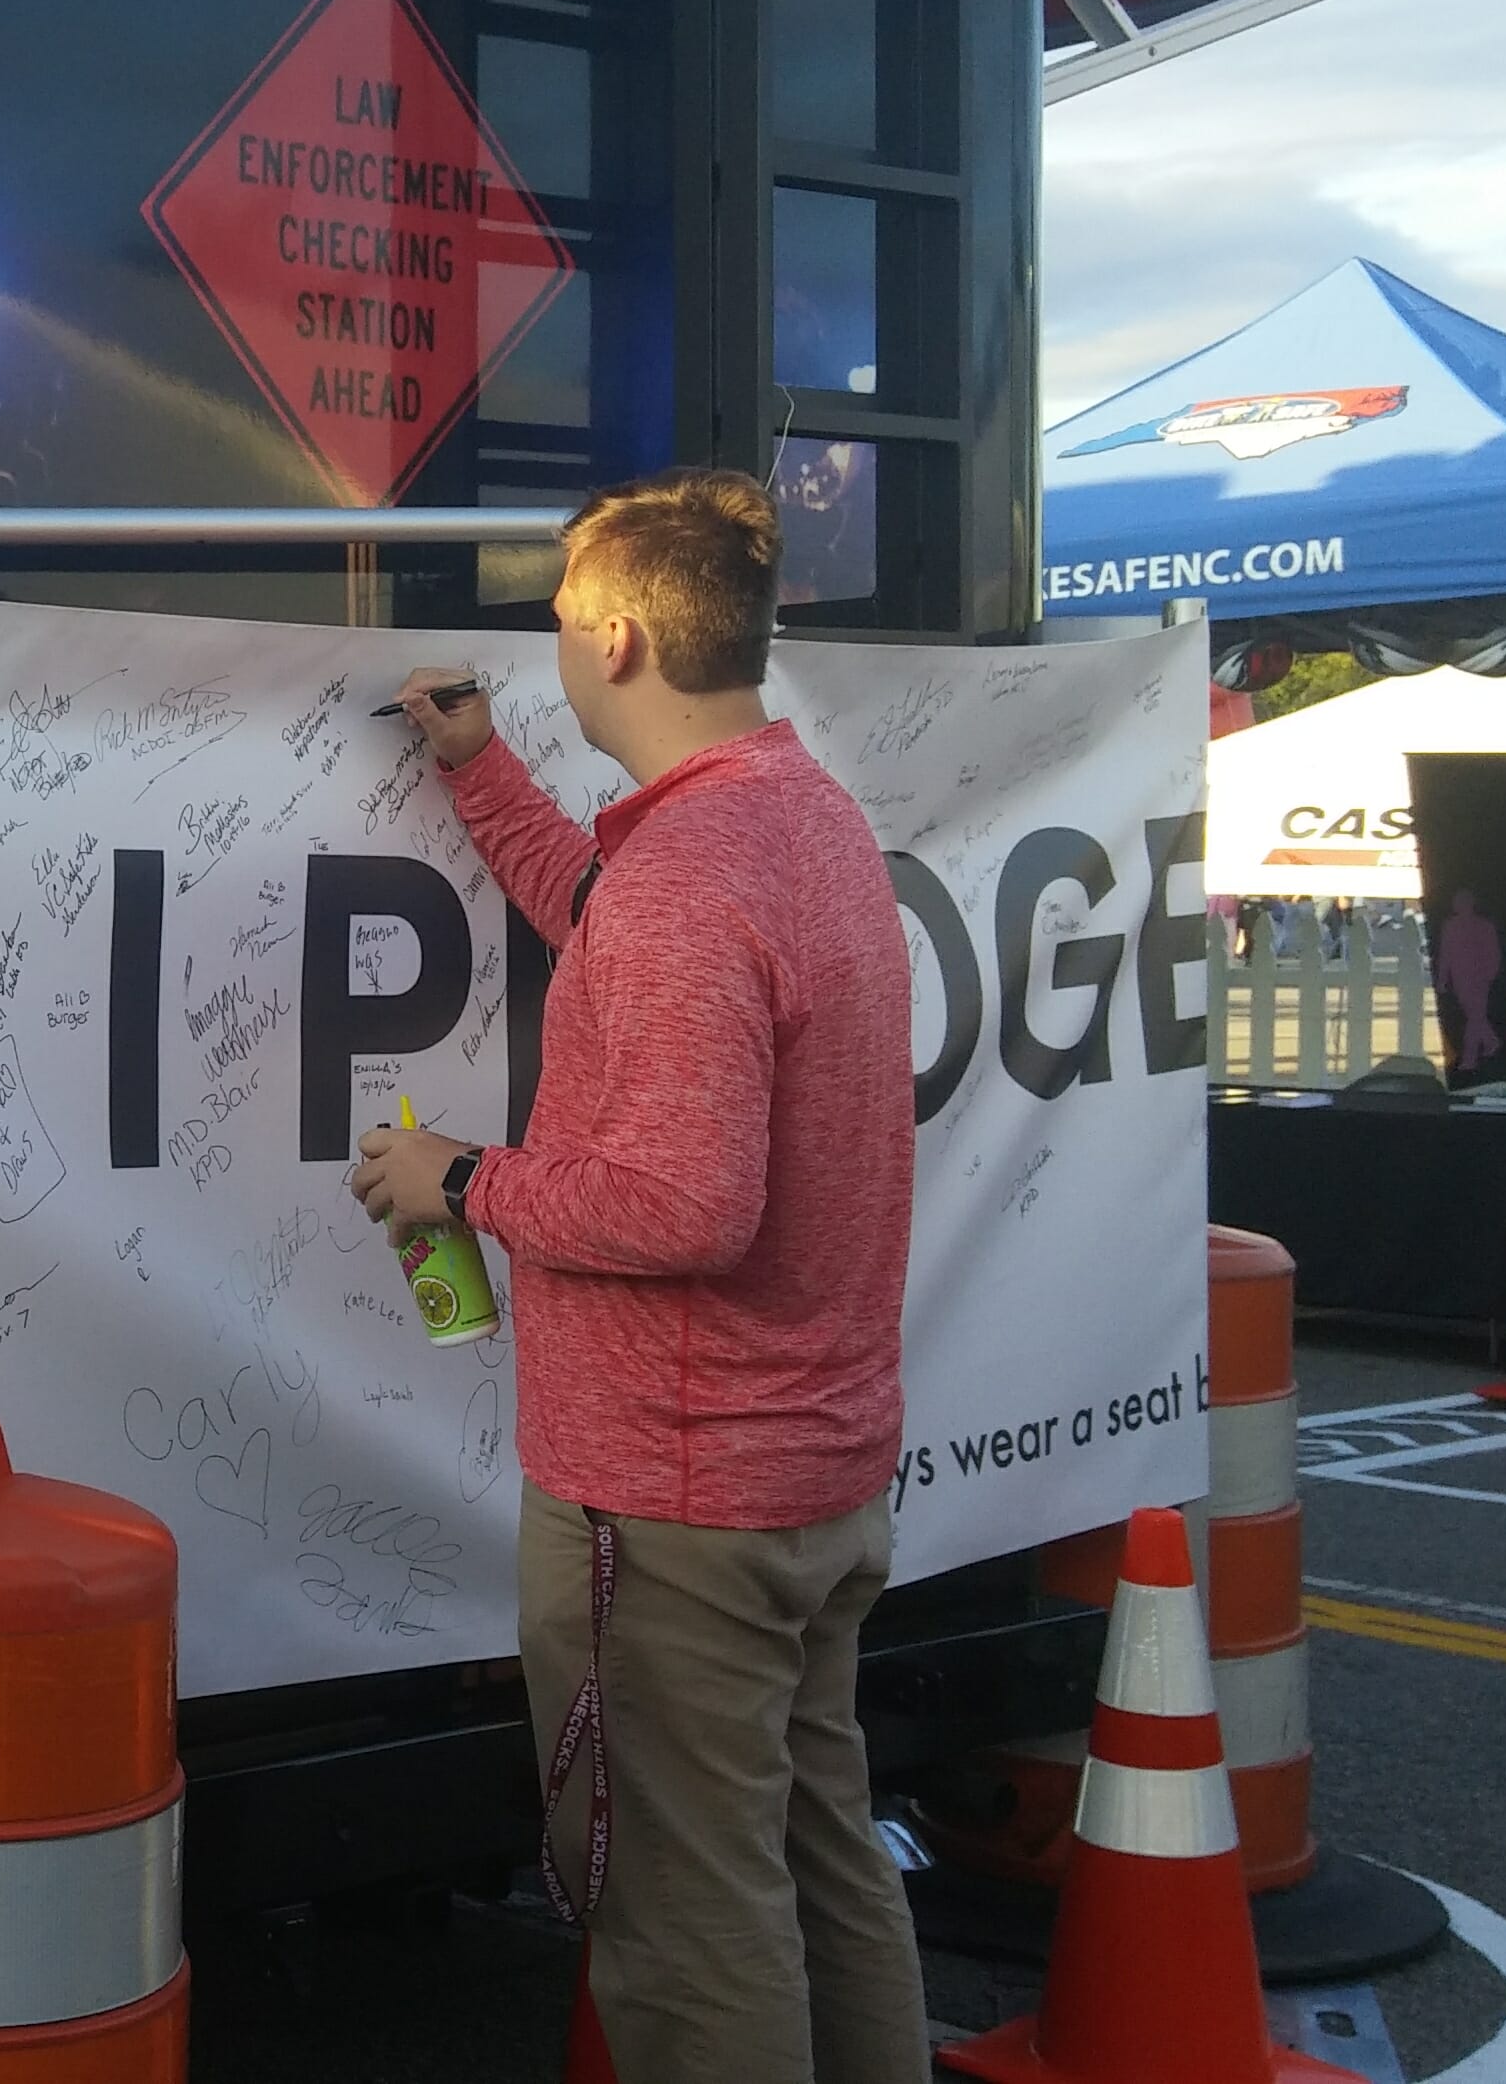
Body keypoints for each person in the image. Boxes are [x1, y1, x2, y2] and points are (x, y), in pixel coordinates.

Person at [350, 467, 924, 2083]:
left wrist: (463, 1179)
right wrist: (481, 774)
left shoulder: (685, 877)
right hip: (807, 1483)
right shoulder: (793, 816)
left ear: (615, 638)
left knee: (687, 1930)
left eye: (556, 621)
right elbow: (607, 918)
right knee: (820, 1863)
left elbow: (684, 1208)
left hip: (673, 1509)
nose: (549, 648)